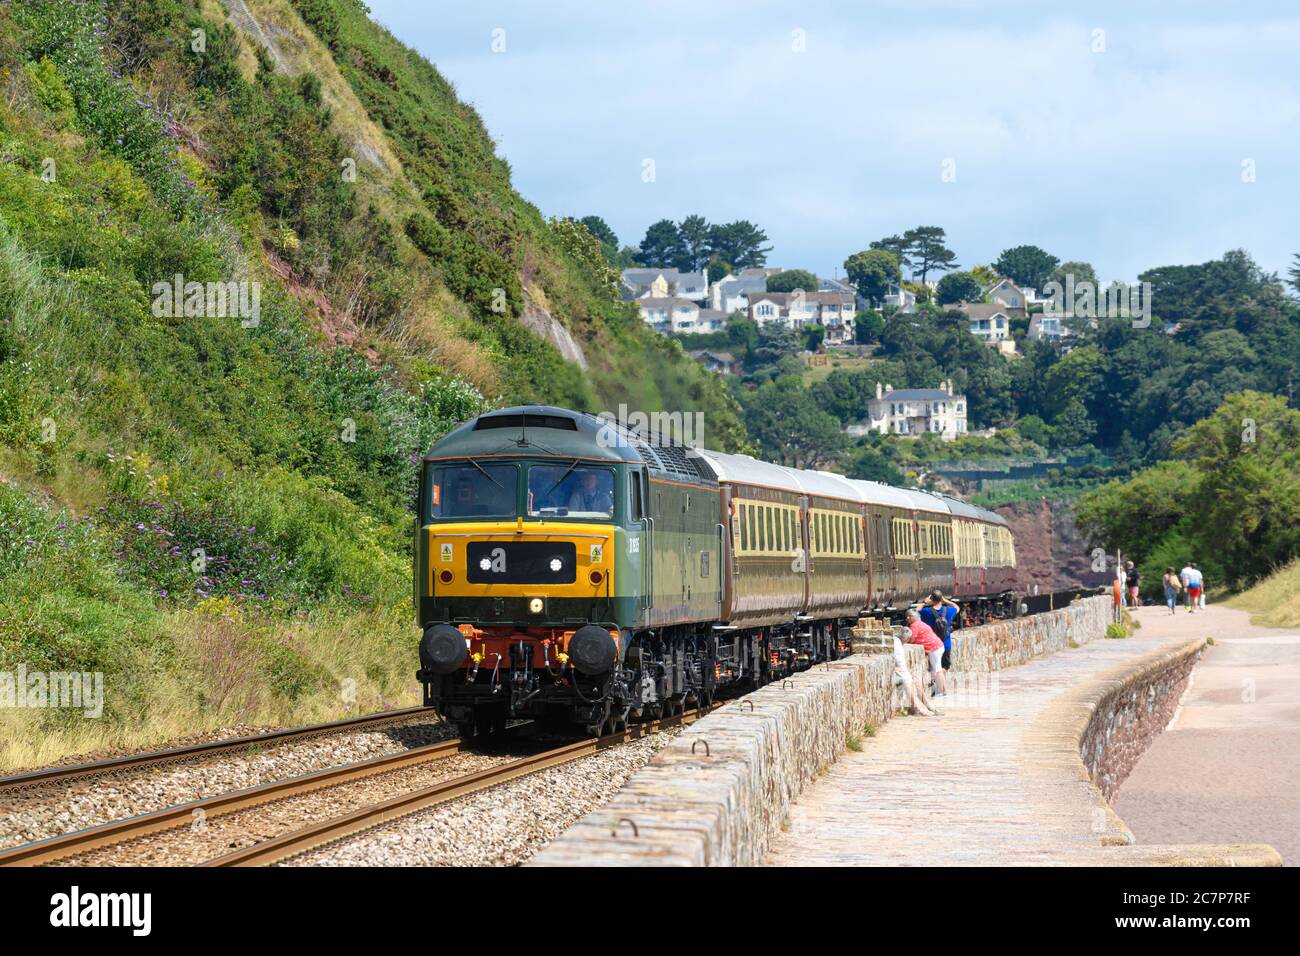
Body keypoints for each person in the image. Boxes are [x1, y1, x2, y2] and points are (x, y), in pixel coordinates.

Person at [892, 627, 937, 717]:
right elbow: (898, 663)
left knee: (915, 680)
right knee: (907, 681)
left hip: (900, 670)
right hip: (897, 671)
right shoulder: (896, 643)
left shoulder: (898, 642)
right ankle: (917, 708)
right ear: (907, 639)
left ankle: (926, 704)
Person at [905, 608, 946, 697]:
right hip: (938, 646)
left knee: (937, 670)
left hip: (934, 648)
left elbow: (912, 639)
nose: (907, 618)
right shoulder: (920, 623)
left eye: (909, 616)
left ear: (914, 617)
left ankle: (942, 691)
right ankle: (941, 690)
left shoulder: (914, 625)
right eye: (906, 616)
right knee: (937, 669)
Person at [919, 590, 960, 674]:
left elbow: (916, 611)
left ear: (931, 599)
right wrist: (945, 600)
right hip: (946, 644)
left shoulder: (927, 611)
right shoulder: (948, 610)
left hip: (933, 645)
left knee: (935, 666)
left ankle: (937, 681)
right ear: (941, 599)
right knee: (945, 666)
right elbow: (957, 607)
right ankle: (941, 681)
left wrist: (924, 602)